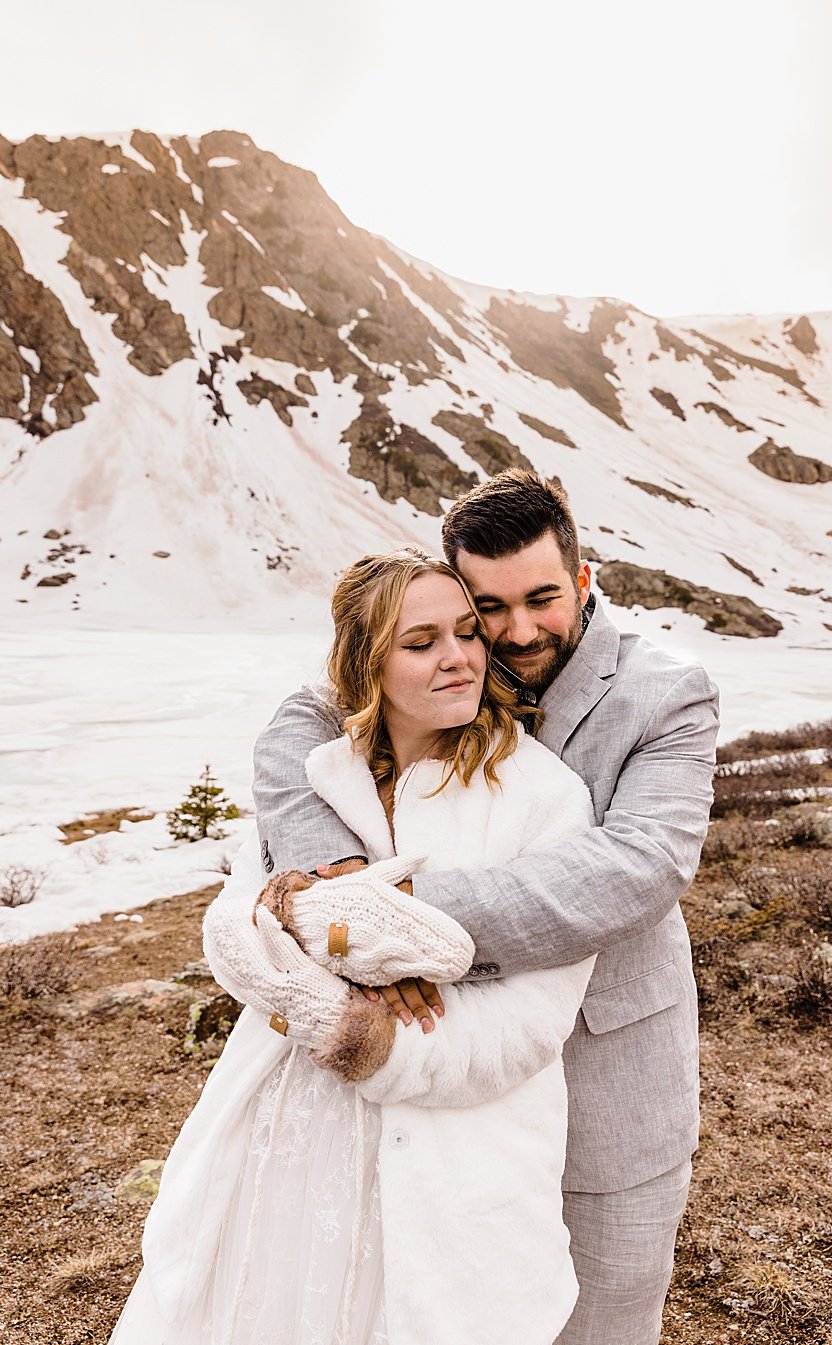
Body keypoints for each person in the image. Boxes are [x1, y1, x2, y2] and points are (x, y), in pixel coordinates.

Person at [250, 470, 719, 1345]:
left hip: (608, 1075)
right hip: (441, 1076)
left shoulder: (666, 692)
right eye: (487, 606)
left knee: (603, 1320)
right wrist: (336, 872)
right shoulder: (455, 651)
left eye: (541, 599)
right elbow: (297, 727)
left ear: (582, 578)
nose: (514, 631)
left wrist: (398, 920)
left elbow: (640, 866)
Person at [114, 548, 601, 1343]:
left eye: (466, 633)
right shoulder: (319, 776)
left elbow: (533, 1023)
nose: (459, 657)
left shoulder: (542, 795)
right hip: (281, 1142)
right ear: (364, 663)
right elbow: (237, 926)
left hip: (451, 1163)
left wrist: (369, 1037)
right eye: (421, 643)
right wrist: (322, 945)